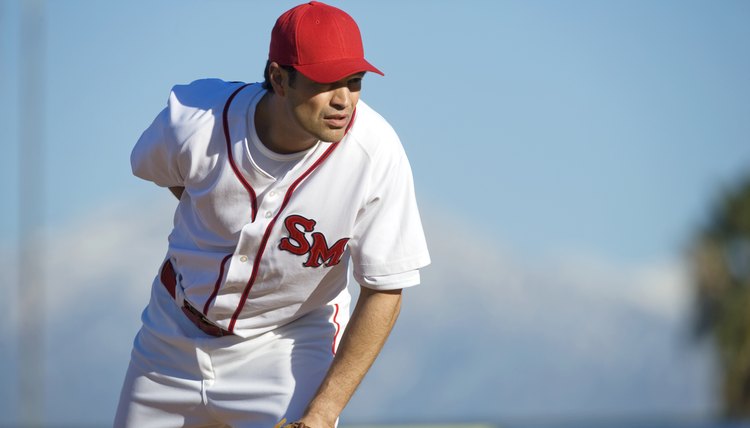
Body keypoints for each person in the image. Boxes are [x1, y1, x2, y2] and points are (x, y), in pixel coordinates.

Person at [114, 2, 430, 427]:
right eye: (325, 83)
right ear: (279, 78)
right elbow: (156, 169)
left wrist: (323, 413)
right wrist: (214, 214)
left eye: (354, 82)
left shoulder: (375, 154)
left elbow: (385, 288)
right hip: (170, 339)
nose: (343, 100)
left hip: (288, 346)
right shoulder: (197, 121)